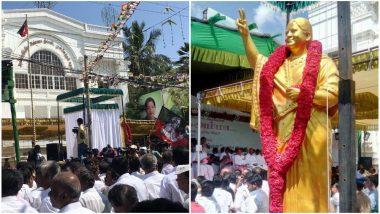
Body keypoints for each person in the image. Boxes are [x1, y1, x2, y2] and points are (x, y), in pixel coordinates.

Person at [237, 10, 339, 212]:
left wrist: (306, 95)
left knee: (311, 183)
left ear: (308, 35)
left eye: (294, 31)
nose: (288, 35)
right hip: (282, 134)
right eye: (286, 32)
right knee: (282, 183)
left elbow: (332, 94)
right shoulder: (278, 64)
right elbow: (257, 62)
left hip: (312, 132)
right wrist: (246, 36)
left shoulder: (322, 62)